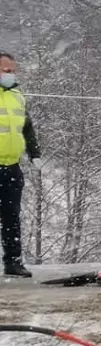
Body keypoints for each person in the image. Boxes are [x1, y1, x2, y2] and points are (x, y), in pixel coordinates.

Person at [0, 52, 41, 278]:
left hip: (12, 167)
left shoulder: (17, 95)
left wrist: (35, 154)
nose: (10, 74)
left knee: (12, 217)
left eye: (13, 70)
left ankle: (13, 263)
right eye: (6, 70)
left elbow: (27, 127)